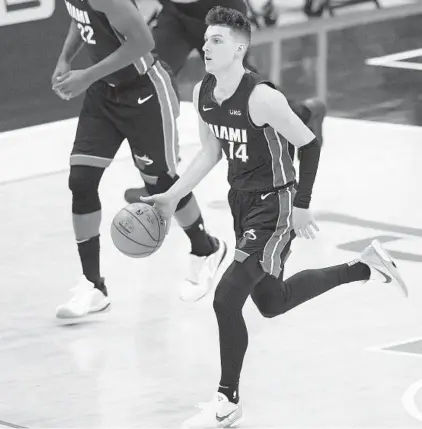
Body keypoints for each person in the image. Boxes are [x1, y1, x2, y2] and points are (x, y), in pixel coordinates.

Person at [141, 7, 408, 427]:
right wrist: (172, 196)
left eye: (217, 41)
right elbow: (211, 153)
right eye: (206, 39)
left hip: (275, 206)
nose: (206, 46)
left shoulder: (262, 97)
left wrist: (301, 205)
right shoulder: (202, 93)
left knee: (226, 298)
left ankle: (227, 400)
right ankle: (364, 267)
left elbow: (310, 144)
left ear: (240, 50)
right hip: (241, 201)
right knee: (271, 302)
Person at [52, 0, 228, 319]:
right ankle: (93, 286)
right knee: (81, 181)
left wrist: (87, 75)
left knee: (161, 183)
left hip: (144, 91)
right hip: (103, 95)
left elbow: (144, 42)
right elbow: (82, 21)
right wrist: (66, 58)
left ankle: (207, 249)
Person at [123, 0, 326, 205]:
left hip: (220, 9)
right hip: (177, 13)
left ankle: (305, 113)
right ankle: (160, 180)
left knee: (242, 91)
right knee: (148, 82)